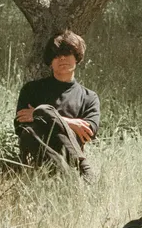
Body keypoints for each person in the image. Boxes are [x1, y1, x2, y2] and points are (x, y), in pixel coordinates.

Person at [15, 31, 100, 181]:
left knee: (44, 111)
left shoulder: (89, 97)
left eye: (67, 53)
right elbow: (20, 126)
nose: (62, 58)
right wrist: (71, 123)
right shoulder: (31, 89)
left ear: (77, 57)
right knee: (31, 130)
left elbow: (89, 131)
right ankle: (80, 169)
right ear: (50, 61)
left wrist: (40, 115)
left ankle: (67, 173)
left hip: (69, 155)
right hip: (37, 154)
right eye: (56, 55)